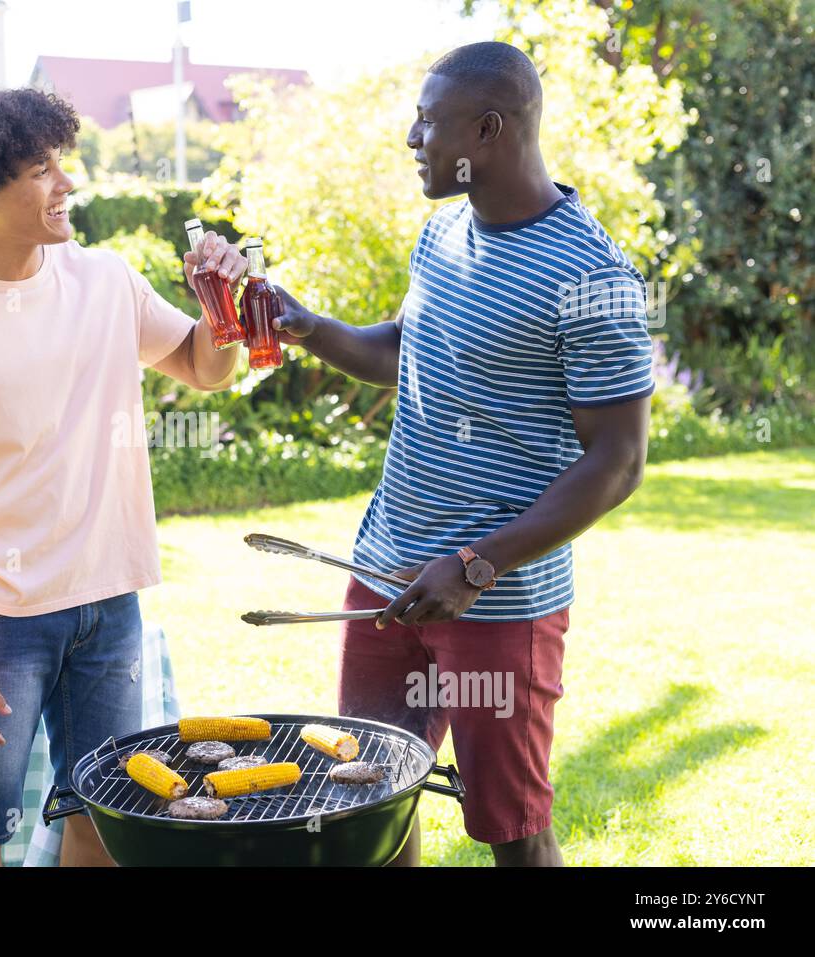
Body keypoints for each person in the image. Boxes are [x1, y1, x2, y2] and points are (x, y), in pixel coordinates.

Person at [273, 41, 653, 866]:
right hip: (384, 576)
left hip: (498, 603)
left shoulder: (593, 275)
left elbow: (618, 463)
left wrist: (476, 564)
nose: (413, 137)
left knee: (512, 830)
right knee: (366, 802)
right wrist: (309, 327)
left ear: (488, 130)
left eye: (428, 121)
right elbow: (401, 351)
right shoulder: (443, 232)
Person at [0, 88, 247, 866]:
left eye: (60, 163)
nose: (65, 184)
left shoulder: (104, 280)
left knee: (100, 819)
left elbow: (207, 369)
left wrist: (223, 305)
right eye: (40, 169)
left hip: (109, 606)